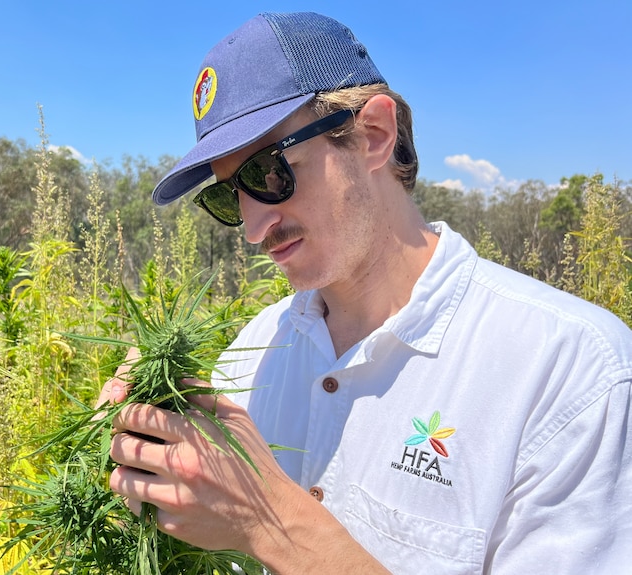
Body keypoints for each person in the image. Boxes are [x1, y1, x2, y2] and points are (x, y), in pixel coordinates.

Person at [99, 11, 632, 574]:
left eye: (267, 172)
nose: (255, 228)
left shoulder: (571, 371)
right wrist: (154, 453)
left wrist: (270, 523)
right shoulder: (253, 352)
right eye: (231, 196)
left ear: (374, 135)